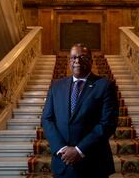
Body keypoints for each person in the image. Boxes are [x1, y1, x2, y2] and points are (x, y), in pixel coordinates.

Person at [41, 43, 119, 178]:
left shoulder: (105, 86)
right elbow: (47, 119)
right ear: (69, 61)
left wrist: (79, 150)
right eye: (73, 57)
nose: (77, 61)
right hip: (63, 161)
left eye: (82, 57)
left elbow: (108, 123)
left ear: (91, 60)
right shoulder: (56, 86)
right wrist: (61, 149)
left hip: (93, 162)